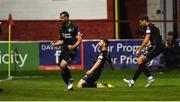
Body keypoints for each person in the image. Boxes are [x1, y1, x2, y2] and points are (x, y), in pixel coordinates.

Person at [123, 15, 164, 88]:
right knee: (142, 63)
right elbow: (152, 40)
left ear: (145, 20)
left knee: (139, 60)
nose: (140, 24)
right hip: (157, 47)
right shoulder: (153, 26)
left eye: (140, 22)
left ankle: (150, 78)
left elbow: (146, 39)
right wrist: (142, 46)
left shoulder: (148, 27)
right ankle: (132, 81)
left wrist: (140, 49)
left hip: (156, 47)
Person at [51, 11, 82, 91]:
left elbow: (79, 40)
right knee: (61, 68)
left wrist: (73, 46)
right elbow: (62, 41)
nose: (60, 19)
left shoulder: (74, 27)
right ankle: (69, 85)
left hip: (72, 50)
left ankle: (70, 79)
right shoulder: (61, 28)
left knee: (63, 65)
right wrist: (55, 44)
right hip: (64, 49)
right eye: (59, 18)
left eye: (61, 18)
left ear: (67, 17)